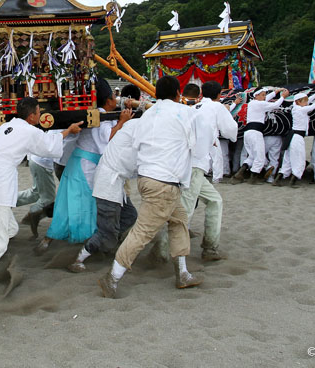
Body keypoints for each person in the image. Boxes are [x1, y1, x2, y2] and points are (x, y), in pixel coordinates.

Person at [98, 75, 201, 298]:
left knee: (179, 220)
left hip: (147, 179)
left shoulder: (148, 114)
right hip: (165, 182)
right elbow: (196, 144)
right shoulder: (184, 112)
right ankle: (112, 278)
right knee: (143, 231)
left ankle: (183, 272)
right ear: (177, 93)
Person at [0, 98, 81, 289]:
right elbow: (50, 146)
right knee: (0, 242)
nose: (40, 115)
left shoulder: (7, 127)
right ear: (33, 115)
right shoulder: (28, 131)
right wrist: (69, 131)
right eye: (38, 112)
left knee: (11, 229)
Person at [37, 78, 129, 253]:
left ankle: (48, 241)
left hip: (81, 162)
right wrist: (122, 123)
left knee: (68, 203)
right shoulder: (99, 115)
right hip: (84, 165)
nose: (115, 101)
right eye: (113, 98)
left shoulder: (99, 113)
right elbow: (105, 140)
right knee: (83, 202)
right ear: (108, 100)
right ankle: (83, 244)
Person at [68, 114, 140, 274]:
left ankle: (107, 243)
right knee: (107, 234)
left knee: (130, 215)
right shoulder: (138, 129)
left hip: (113, 182)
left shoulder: (132, 126)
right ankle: (78, 259)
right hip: (108, 184)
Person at [182, 81, 238, 260]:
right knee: (186, 210)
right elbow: (231, 130)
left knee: (214, 201)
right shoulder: (216, 106)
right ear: (219, 94)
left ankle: (210, 248)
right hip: (196, 163)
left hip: (188, 161)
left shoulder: (193, 106)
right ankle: (162, 251)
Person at [232, 87, 289, 182]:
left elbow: (265, 99)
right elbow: (275, 105)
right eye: (262, 95)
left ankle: (241, 172)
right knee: (260, 156)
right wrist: (283, 97)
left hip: (248, 133)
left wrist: (275, 92)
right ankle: (253, 177)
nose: (264, 97)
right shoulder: (259, 104)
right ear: (256, 95)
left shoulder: (252, 103)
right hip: (255, 133)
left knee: (252, 156)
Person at [275, 87, 315, 186]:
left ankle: (278, 179)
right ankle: (293, 181)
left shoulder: (296, 106)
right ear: (298, 101)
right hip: (297, 137)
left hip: (293, 136)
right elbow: (314, 105)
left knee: (288, 159)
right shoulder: (301, 109)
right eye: (304, 101)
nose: (307, 103)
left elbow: (308, 100)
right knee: (299, 159)